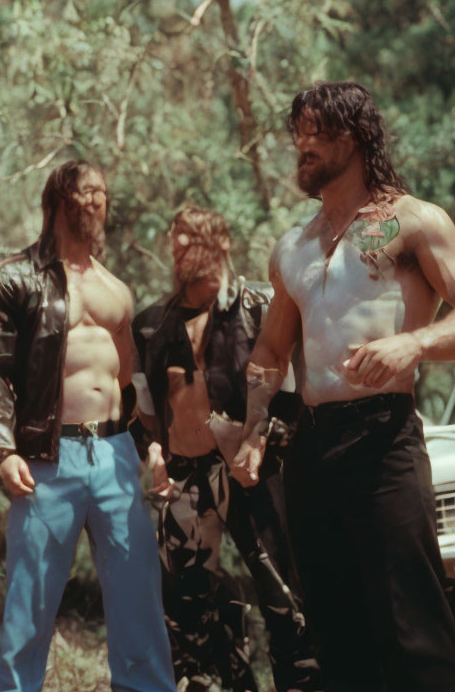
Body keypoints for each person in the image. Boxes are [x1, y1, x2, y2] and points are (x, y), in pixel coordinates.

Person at [235, 81, 455, 691]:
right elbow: (272, 351)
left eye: (313, 132)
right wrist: (253, 427)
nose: (300, 145)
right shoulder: (293, 247)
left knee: (415, 631)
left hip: (384, 442)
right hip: (312, 450)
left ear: (350, 136)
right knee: (336, 636)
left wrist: (414, 344)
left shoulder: (410, 220)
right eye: (296, 133)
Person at [0, 159, 176, 692]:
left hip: (115, 453)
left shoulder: (115, 288)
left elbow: (132, 382)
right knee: (29, 604)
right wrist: (1, 449)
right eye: (85, 192)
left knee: (138, 599)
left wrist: (152, 445)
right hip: (45, 456)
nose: (96, 201)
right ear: (57, 198)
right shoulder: (11, 278)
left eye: (102, 192)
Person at [132, 206, 320, 692]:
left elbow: (297, 393)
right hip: (184, 480)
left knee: (285, 599)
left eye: (191, 237)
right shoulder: (153, 322)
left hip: (256, 473)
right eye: (174, 239)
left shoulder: (262, 305)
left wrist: (262, 441)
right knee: (183, 609)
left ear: (223, 242)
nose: (179, 247)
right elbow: (146, 404)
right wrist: (152, 451)